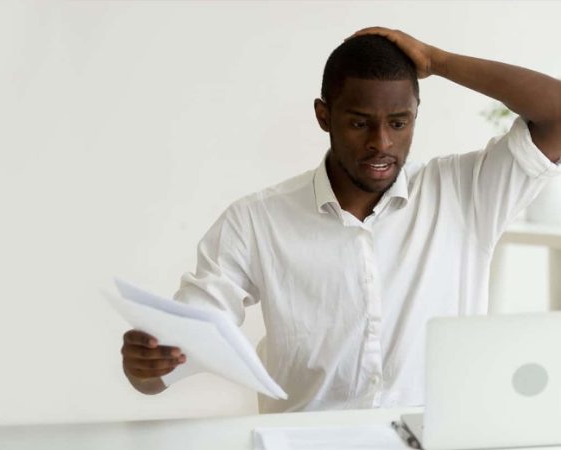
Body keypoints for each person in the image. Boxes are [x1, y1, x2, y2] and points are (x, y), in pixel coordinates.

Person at [120, 27, 561, 413]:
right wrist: (147, 366)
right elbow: (171, 358)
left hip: (433, 439)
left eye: (399, 122)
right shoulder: (256, 220)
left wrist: (436, 61)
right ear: (324, 116)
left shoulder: (465, 194)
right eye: (359, 123)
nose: (381, 142)